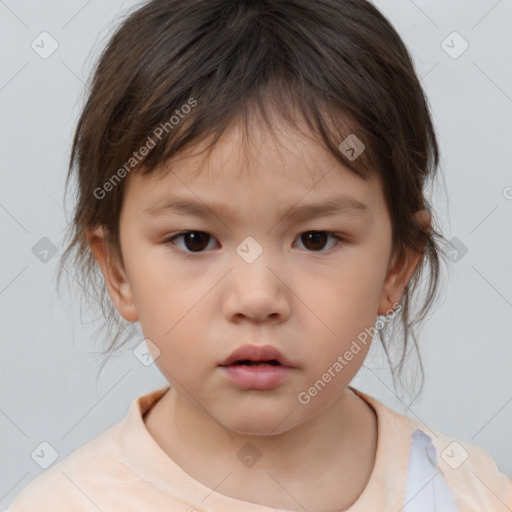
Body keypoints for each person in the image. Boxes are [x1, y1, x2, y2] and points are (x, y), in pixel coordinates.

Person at [8, 0, 512, 510]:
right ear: (118, 270)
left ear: (398, 265)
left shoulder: (468, 494)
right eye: (195, 240)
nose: (256, 298)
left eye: (315, 239)